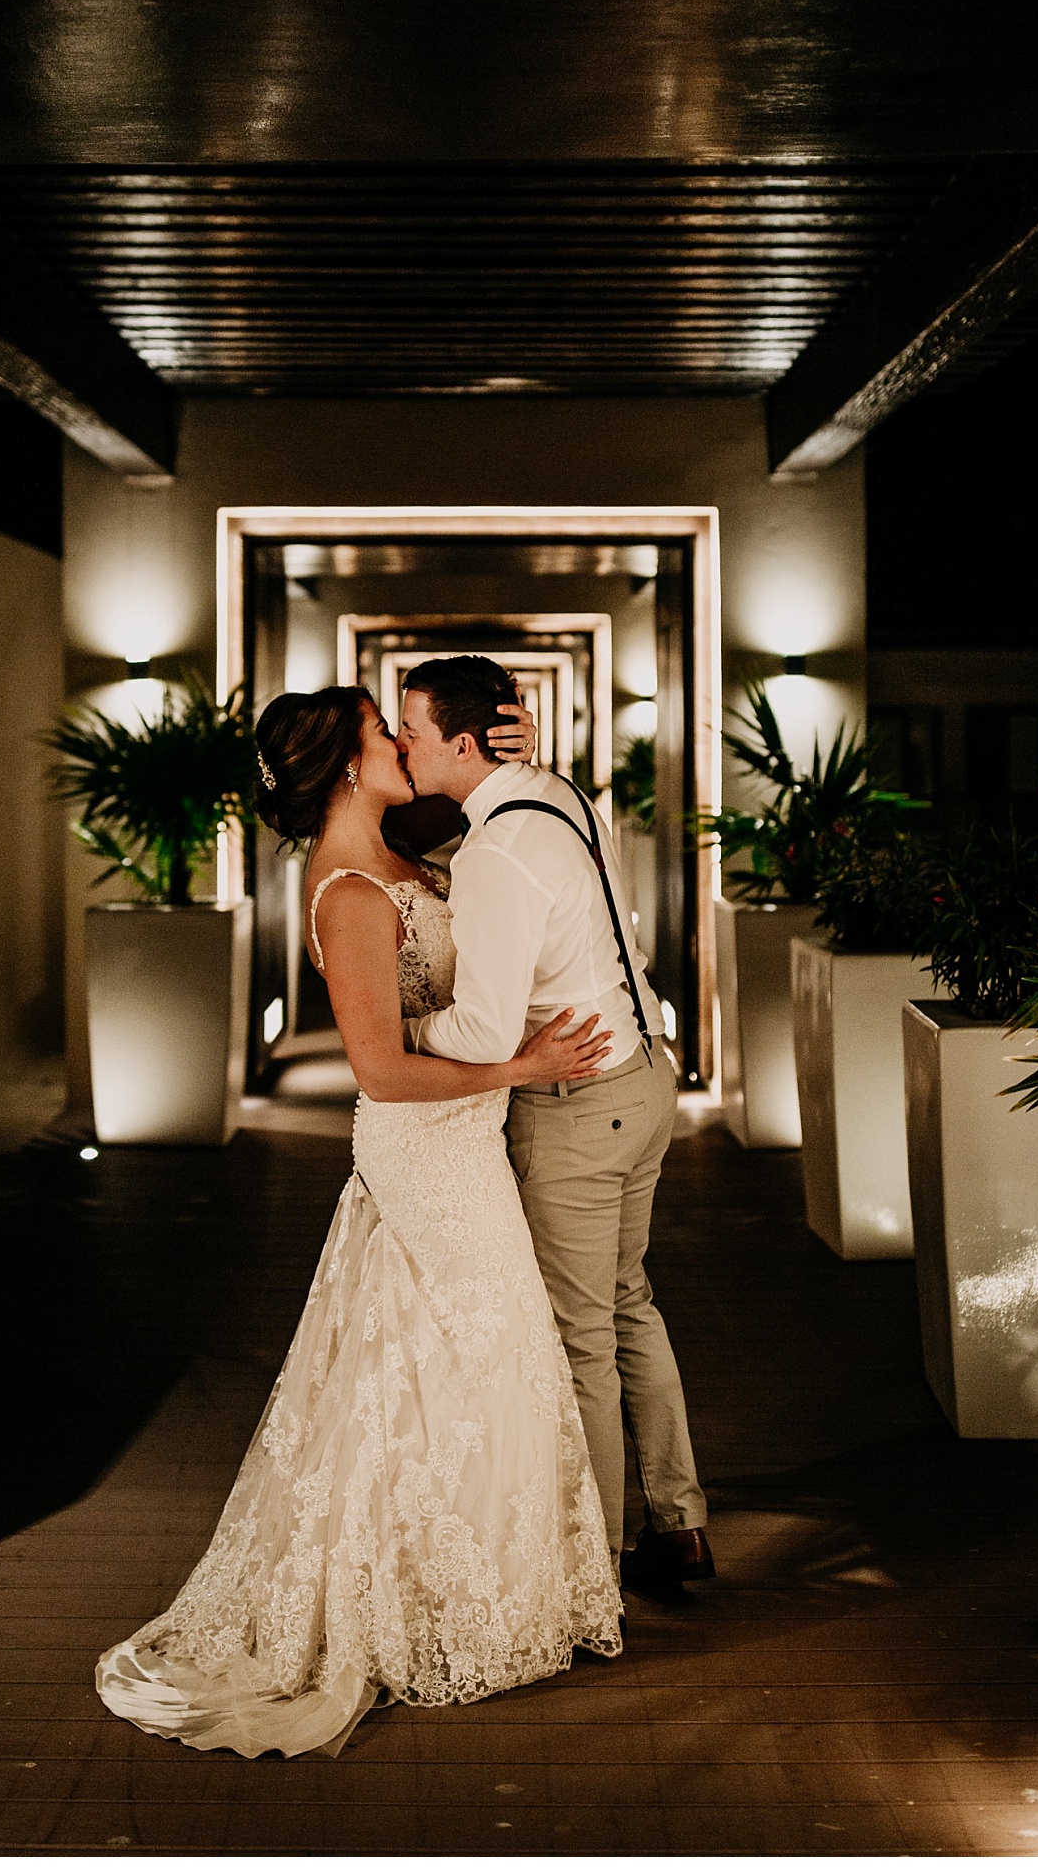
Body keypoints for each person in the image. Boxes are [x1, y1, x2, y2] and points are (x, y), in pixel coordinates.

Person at [95, 685, 624, 1760]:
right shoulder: (345, 891)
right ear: (344, 761)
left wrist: (518, 751)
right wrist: (524, 1063)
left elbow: (501, 809)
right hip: (428, 1153)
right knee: (471, 1364)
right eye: (389, 731)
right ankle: (430, 1604)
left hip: (466, 1144)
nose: (403, 744)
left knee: (469, 1373)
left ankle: (461, 1593)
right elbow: (380, 1070)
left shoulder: (399, 848)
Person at [396, 656, 713, 1594]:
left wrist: (397, 1023)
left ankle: (600, 1554)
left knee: (577, 1336)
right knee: (626, 1305)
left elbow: (486, 1031)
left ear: (462, 740)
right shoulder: (559, 794)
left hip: (574, 1107)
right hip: (643, 1073)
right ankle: (680, 1523)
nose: (404, 747)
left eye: (411, 732)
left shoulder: (494, 851)